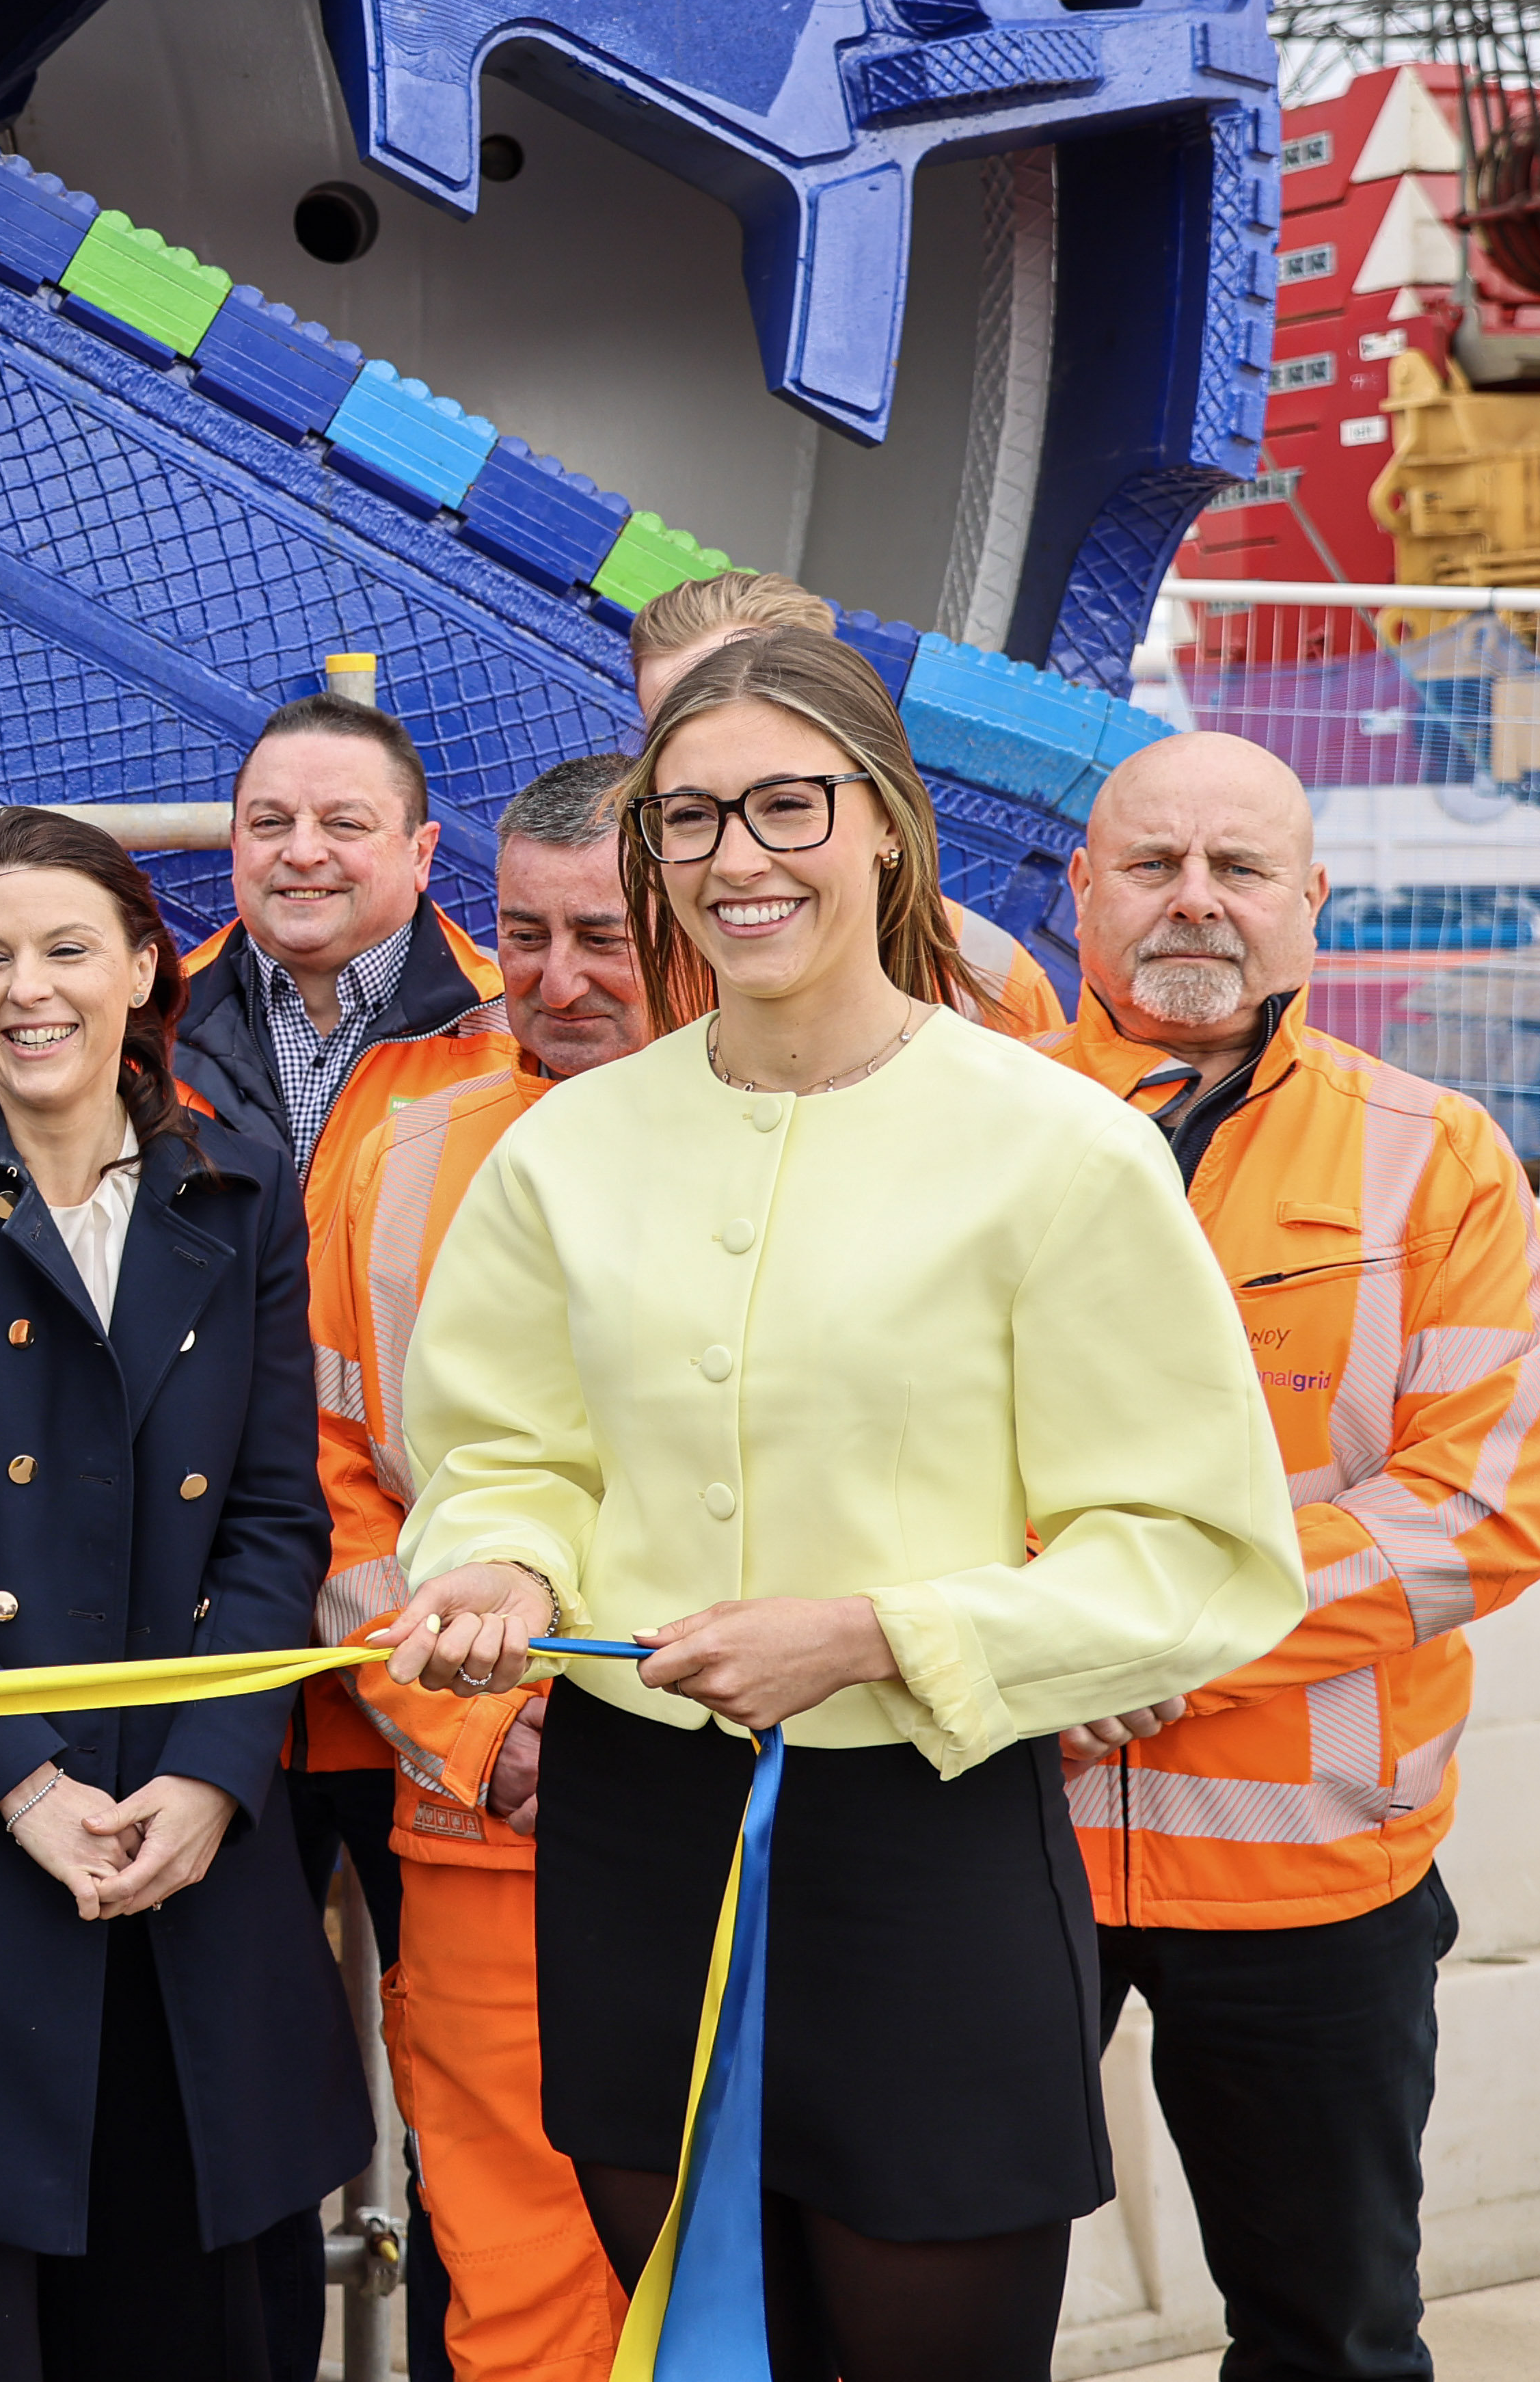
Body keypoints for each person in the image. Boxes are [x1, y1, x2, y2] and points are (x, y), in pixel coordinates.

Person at [392, 631, 1305, 2382]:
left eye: (788, 805)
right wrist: (498, 1560)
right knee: (694, 2340)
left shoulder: (1059, 1152)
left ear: (884, 823)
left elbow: (1196, 1554)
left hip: (925, 1837)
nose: (739, 859)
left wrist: (884, 1631)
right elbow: (507, 1448)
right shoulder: (567, 1153)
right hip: (636, 1830)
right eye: (691, 819)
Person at [0, 807, 366, 2381]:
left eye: (66, 947)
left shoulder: (237, 1191)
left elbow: (273, 1520)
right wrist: (20, 1784)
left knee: (195, 2312)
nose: (27, 989)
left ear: (144, 962)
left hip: (191, 1847)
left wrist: (214, 1781)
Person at [1047, 731, 1540, 2382]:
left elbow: (1479, 1505)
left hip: (1311, 1882)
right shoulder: (966, 1133)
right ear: (1082, 893)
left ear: (1309, 906)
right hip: (1000, 1836)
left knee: (1331, 2337)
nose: (1195, 900)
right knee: (914, 2300)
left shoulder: (1437, 1158)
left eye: (1241, 867)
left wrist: (1141, 1642)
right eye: (1153, 863)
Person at [298, 755, 649, 2382]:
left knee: (753, 2258)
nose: (559, 978)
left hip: (753, 1810)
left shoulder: (837, 1135)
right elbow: (335, 1487)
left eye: (606, 934)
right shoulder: (403, 1145)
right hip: (480, 1815)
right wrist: (474, 1731)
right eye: (523, 930)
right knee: (508, 2276)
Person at [624, 570, 1063, 1041]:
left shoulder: (989, 973)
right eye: (670, 721)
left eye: (786, 803)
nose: (736, 862)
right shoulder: (609, 948)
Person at [166, 696, 501, 1189]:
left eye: (344, 823)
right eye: (269, 823)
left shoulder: (514, 1029)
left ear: (421, 854)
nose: (301, 852)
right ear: (237, 847)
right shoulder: (143, 1024)